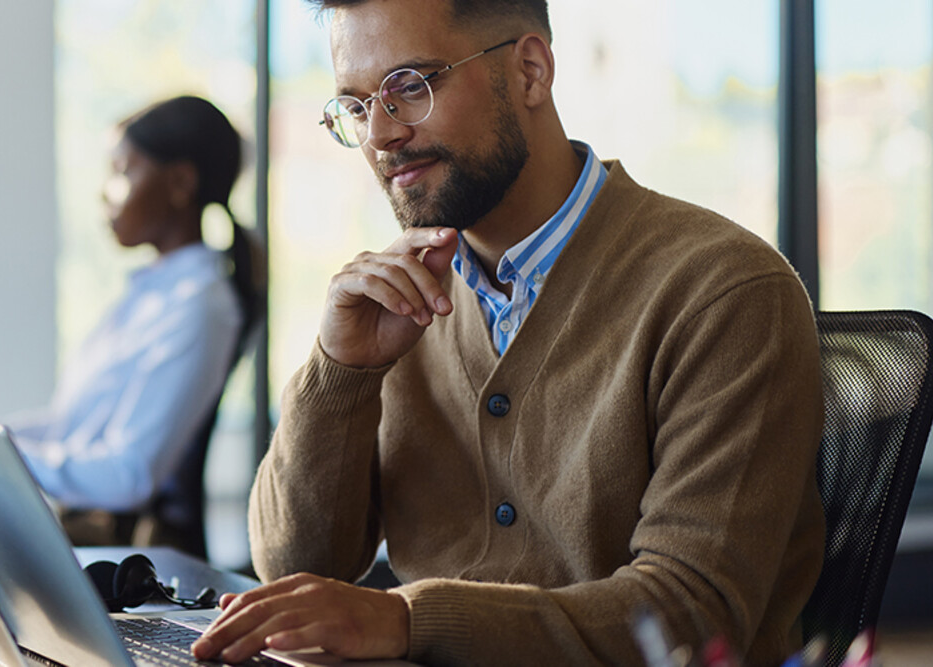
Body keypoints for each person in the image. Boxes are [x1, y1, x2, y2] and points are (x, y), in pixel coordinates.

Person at [190, 1, 824, 665]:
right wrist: (340, 371)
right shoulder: (395, 301)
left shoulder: (723, 291)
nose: (379, 134)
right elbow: (294, 564)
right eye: (354, 105)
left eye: (410, 86)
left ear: (529, 72)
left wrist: (407, 618)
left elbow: (690, 612)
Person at [8, 96, 263, 529]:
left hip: (123, 554)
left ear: (181, 182)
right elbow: (67, 428)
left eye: (123, 172)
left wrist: (3, 461)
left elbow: (130, 474)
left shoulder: (199, 306)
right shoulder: (151, 294)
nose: (105, 193)